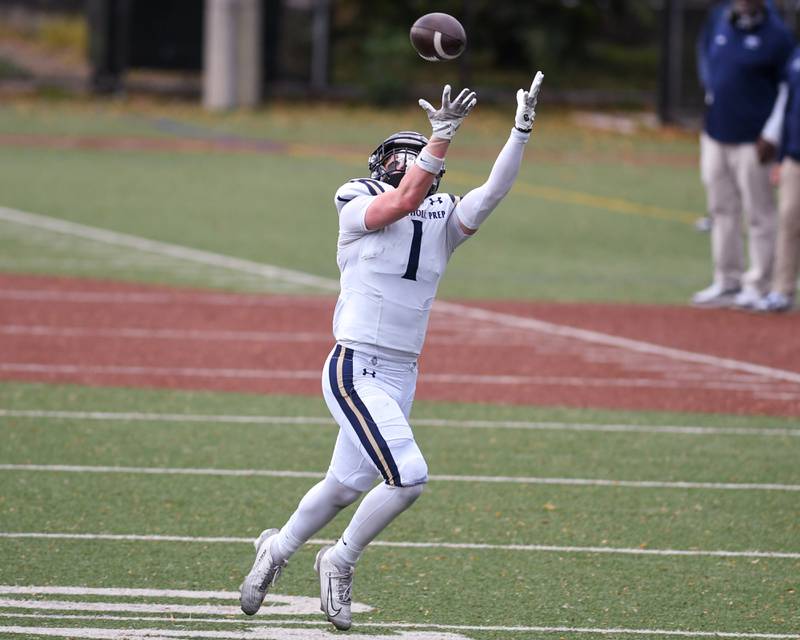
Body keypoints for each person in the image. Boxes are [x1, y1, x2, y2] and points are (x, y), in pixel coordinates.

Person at [238, 72, 543, 630]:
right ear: (381, 164)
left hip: (402, 372)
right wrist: (441, 137)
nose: (410, 160)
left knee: (346, 485)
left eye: (418, 152)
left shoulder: (443, 217)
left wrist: (519, 133)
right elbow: (401, 201)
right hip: (355, 365)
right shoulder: (357, 199)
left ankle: (275, 551)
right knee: (409, 477)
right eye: (400, 154)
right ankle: (340, 558)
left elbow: (492, 193)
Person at [692, 0, 795, 308]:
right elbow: (709, 65)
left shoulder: (777, 35)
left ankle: (760, 283)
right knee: (721, 208)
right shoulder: (719, 21)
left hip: (754, 139)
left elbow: (788, 88)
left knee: (759, 213)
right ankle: (727, 279)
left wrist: (772, 133)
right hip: (716, 132)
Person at [756, 45, 800, 312]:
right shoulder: (796, 55)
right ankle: (782, 290)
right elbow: (787, 104)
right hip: (795, 156)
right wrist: (780, 155)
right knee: (788, 219)